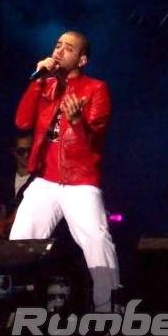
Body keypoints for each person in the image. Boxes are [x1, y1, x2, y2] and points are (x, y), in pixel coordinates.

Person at [9, 30, 120, 312]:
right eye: (57, 45)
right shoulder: (44, 85)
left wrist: (77, 121)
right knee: (19, 240)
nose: (59, 51)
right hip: (46, 179)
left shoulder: (96, 88)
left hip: (81, 181)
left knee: (97, 240)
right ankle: (15, 308)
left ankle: (107, 307)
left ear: (82, 60)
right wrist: (36, 81)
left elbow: (94, 140)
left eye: (68, 48)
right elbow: (22, 122)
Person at [0, 132, 34, 239]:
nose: (26, 155)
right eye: (21, 151)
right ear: (13, 152)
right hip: (8, 237)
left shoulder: (40, 180)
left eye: (30, 150)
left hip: (30, 235)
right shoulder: (6, 179)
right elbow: (4, 209)